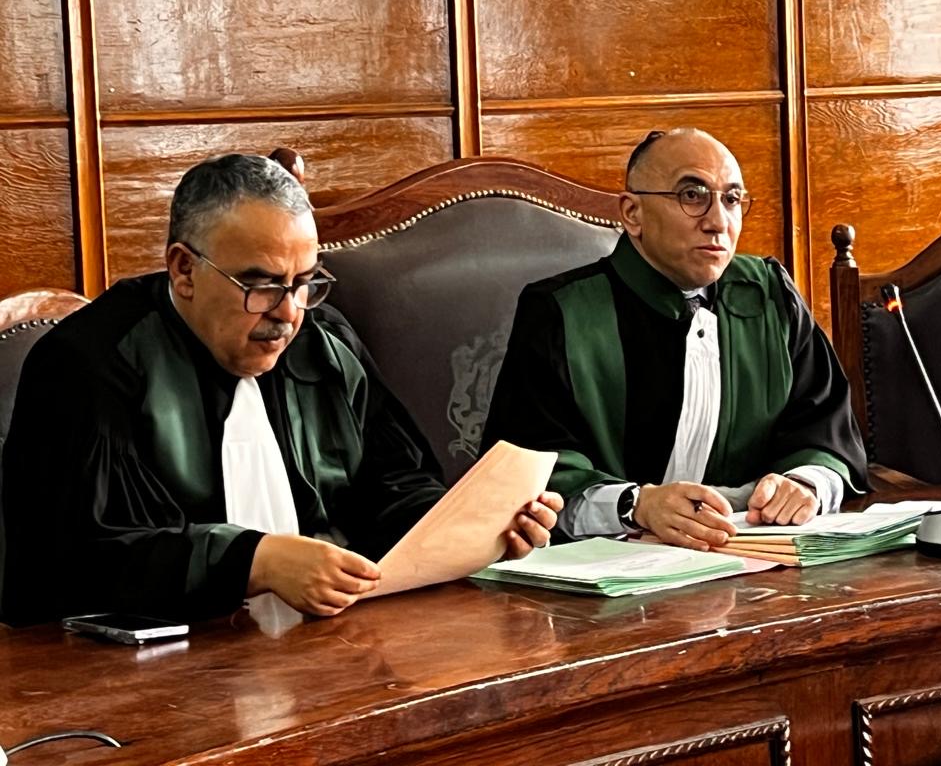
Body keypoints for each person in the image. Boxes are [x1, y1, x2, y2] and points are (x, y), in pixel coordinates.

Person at [1, 154, 560, 626]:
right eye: (262, 285)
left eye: (305, 283)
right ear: (184, 270)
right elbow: (79, 560)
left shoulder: (325, 343)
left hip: (331, 641)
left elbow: (390, 486)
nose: (289, 313)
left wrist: (473, 524)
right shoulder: (90, 363)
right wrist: (254, 562)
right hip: (153, 670)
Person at [481, 129, 867, 552]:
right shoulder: (561, 312)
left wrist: (805, 483)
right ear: (633, 213)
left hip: (757, 557)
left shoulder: (771, 294)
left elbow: (826, 430)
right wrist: (636, 505)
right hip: (612, 566)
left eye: (731, 199)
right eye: (692, 195)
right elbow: (526, 477)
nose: (718, 221)